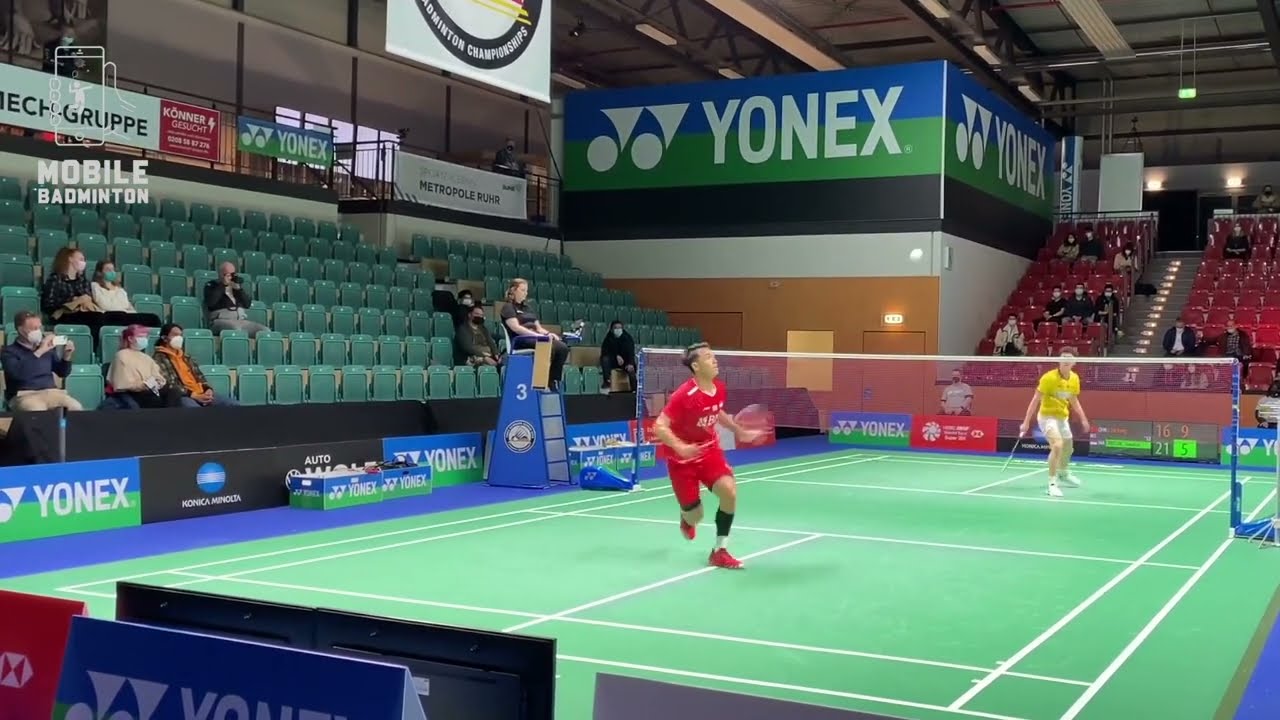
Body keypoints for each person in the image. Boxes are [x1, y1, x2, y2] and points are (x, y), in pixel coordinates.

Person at [651, 343, 760, 569]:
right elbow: (659, 426)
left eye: (714, 357)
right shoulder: (684, 395)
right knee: (696, 516)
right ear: (696, 366)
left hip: (709, 451)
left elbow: (716, 410)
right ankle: (686, 517)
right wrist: (680, 447)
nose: (715, 361)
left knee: (729, 491)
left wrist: (738, 431)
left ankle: (720, 551)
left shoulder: (718, 388)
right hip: (683, 460)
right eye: (709, 358)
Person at [1019, 351, 1091, 498]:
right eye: (1063, 358)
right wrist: (1026, 422)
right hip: (1047, 417)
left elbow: (1074, 401)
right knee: (1057, 445)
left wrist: (1083, 419)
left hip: (1062, 417)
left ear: (1074, 362)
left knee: (1068, 447)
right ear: (1058, 360)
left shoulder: (1075, 379)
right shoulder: (1048, 378)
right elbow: (1035, 400)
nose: (1066, 360)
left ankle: (1063, 473)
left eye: (1069, 359)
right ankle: (1052, 484)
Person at [0, 310, 80, 411]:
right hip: (24, 395)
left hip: (52, 392)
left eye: (39, 327)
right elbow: (18, 374)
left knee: (75, 407)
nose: (38, 331)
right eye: (34, 328)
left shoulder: (47, 348)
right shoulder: (9, 352)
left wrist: (66, 356)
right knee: (37, 411)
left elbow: (62, 372)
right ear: (21, 330)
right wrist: (40, 351)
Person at [499, 278, 569, 390]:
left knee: (562, 347)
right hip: (520, 340)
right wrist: (537, 336)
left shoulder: (528, 308)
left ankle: (552, 379)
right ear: (513, 290)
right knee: (548, 346)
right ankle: (540, 381)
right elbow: (516, 328)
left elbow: (539, 328)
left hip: (535, 338)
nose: (525, 293)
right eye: (522, 290)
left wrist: (549, 334)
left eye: (526, 291)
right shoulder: (508, 307)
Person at [153, 323, 239, 407]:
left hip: (201, 392)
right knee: (195, 412)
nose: (179, 338)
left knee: (234, 404)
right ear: (164, 338)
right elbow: (168, 384)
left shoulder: (186, 357)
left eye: (180, 335)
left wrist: (207, 389)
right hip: (184, 396)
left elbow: (200, 376)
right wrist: (192, 395)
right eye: (175, 335)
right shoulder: (158, 358)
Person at [108, 325, 180, 408]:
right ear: (130, 338)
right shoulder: (121, 355)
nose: (144, 339)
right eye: (140, 337)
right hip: (133, 393)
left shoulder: (146, 357)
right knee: (154, 399)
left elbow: (157, 375)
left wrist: (159, 382)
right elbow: (123, 384)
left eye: (145, 337)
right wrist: (144, 385)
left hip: (151, 389)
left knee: (174, 392)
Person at [89, 259, 162, 327]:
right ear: (99, 272)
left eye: (113, 270)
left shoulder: (120, 290)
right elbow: (105, 305)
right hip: (108, 316)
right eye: (108, 270)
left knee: (153, 318)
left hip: (125, 316)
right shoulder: (95, 286)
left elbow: (127, 306)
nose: (111, 272)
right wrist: (121, 308)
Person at [204, 261, 268, 336]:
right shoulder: (211, 285)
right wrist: (222, 285)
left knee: (265, 331)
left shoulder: (235, 286)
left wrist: (239, 290)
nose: (231, 277)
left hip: (241, 320)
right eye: (228, 274)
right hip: (220, 321)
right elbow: (211, 302)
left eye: (233, 274)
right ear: (221, 274)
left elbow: (247, 304)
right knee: (235, 329)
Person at [599, 319, 637, 392]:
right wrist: (616, 356)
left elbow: (631, 352)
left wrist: (630, 363)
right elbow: (604, 351)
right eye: (616, 328)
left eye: (620, 328)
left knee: (631, 370)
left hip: (625, 361)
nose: (618, 330)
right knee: (605, 359)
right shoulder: (608, 338)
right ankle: (607, 382)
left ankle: (635, 390)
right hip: (613, 361)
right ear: (612, 329)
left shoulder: (627, 338)